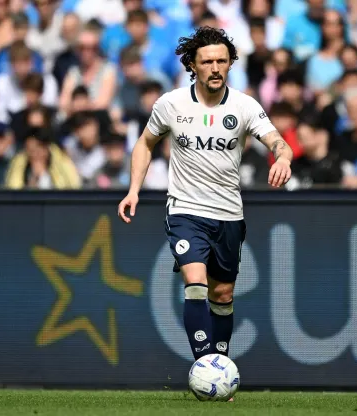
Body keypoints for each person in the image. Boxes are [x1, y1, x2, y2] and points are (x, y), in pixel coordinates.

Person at [117, 27, 292, 371]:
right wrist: (133, 189)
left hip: (228, 214)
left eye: (222, 61)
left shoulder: (244, 106)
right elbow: (145, 144)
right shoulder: (171, 104)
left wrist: (282, 157)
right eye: (207, 61)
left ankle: (220, 365)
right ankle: (205, 368)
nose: (215, 68)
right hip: (185, 210)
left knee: (222, 295)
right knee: (195, 284)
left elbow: (276, 141)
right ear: (193, 66)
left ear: (230, 65)